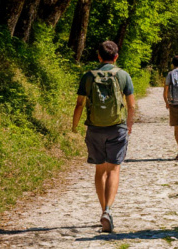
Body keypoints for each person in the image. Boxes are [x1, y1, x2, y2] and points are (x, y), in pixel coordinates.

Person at [72, 41, 136, 233]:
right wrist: (129, 125)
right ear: (116, 57)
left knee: (100, 170)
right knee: (114, 169)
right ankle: (108, 210)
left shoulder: (88, 76)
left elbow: (79, 104)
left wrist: (74, 126)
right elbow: (131, 105)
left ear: (99, 57)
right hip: (117, 127)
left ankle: (103, 210)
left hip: (94, 128)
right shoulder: (123, 75)